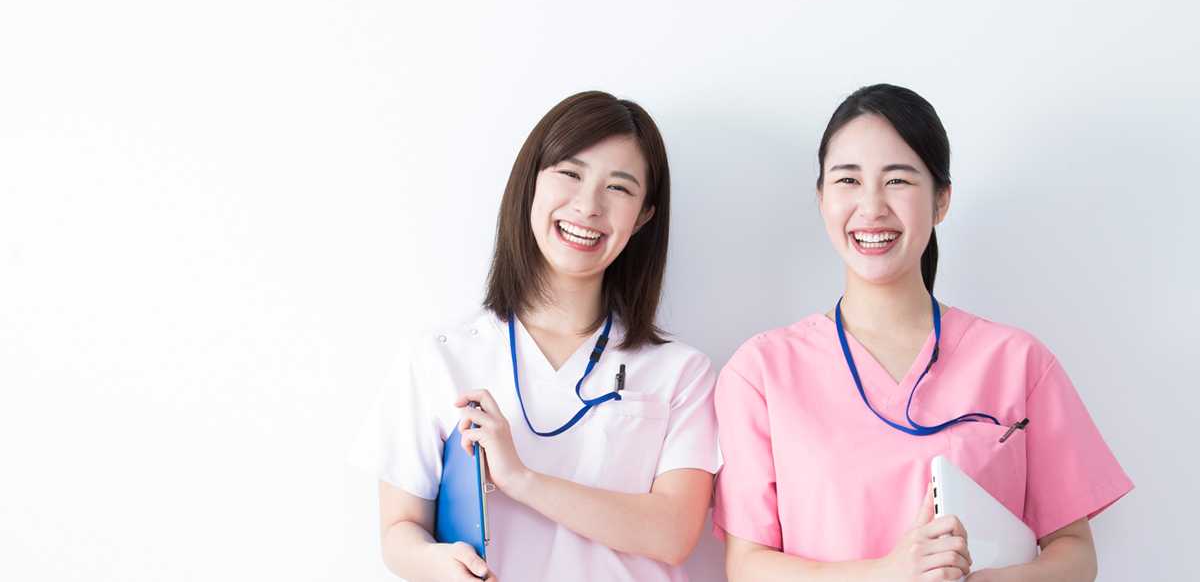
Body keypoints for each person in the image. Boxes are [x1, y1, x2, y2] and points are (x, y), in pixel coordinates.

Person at [715, 84, 1133, 581]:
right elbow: (748, 566)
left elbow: (1075, 554)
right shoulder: (762, 372)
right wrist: (889, 573)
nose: (872, 206)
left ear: (941, 201)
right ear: (822, 198)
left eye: (898, 180)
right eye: (848, 180)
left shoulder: (1017, 362)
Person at [352, 91, 719, 581]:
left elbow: (672, 534)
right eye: (570, 174)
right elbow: (400, 532)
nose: (588, 206)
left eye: (618, 187)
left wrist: (521, 479)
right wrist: (439, 565)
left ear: (644, 216)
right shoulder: (442, 356)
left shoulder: (680, 372)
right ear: (531, 183)